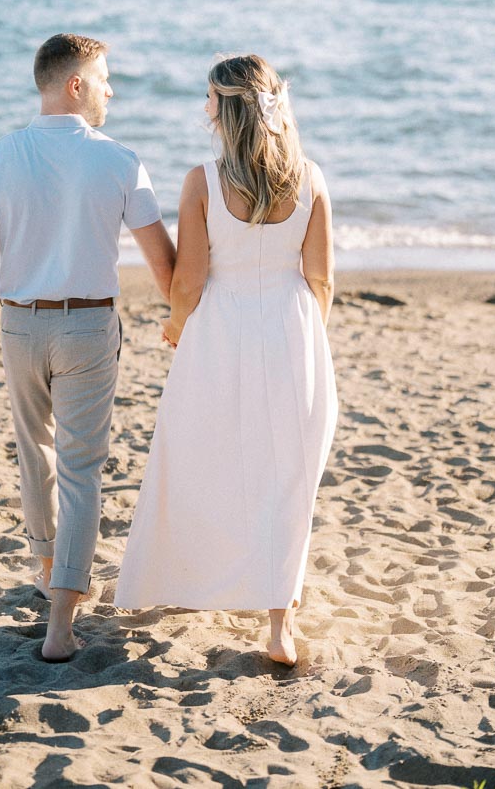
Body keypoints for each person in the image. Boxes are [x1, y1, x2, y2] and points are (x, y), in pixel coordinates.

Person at [0, 33, 176, 661]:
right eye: (104, 78)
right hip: (89, 328)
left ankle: (47, 570)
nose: (110, 89)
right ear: (75, 84)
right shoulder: (120, 160)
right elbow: (164, 265)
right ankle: (62, 623)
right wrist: (190, 315)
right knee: (81, 469)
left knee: (34, 452)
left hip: (20, 325)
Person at [114, 54, 338, 665]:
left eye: (208, 98)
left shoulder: (202, 182)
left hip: (221, 328)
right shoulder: (311, 177)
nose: (202, 108)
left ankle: (189, 580)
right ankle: (278, 625)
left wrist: (176, 324)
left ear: (226, 109)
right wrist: (304, 340)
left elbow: (189, 280)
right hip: (292, 328)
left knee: (201, 456)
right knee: (287, 476)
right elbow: (319, 279)